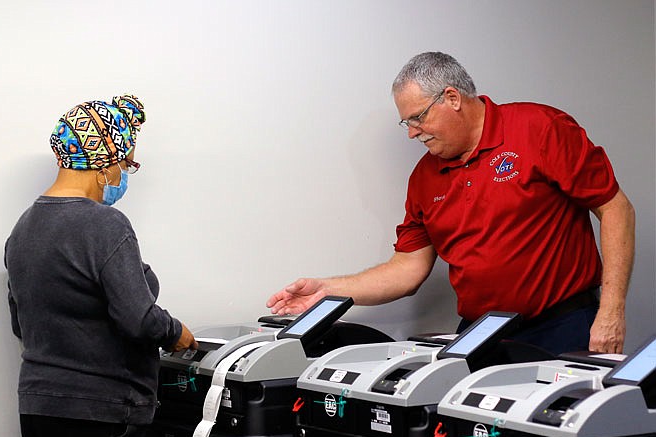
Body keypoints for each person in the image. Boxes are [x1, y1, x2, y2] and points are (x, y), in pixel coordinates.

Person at [267, 52, 635, 355]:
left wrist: (611, 310)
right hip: (481, 335)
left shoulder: (539, 128)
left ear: (452, 98)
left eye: (417, 117)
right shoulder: (424, 176)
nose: (412, 132)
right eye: (406, 123)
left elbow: (615, 208)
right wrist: (327, 291)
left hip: (563, 325)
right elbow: (408, 269)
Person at [5, 94, 198, 437]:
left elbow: (21, 323)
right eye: (127, 165)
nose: (125, 175)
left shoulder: (23, 228)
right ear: (105, 164)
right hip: (102, 413)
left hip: (38, 410)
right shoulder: (105, 225)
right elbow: (137, 318)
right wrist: (176, 332)